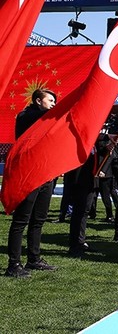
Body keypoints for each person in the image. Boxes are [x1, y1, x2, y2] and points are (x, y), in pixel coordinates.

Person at [4, 89, 58, 278]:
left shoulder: (47, 119)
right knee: (21, 220)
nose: (53, 104)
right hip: (28, 175)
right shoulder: (26, 115)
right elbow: (37, 116)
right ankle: (14, 264)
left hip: (45, 174)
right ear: (37, 101)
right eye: (50, 100)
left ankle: (34, 259)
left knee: (38, 220)